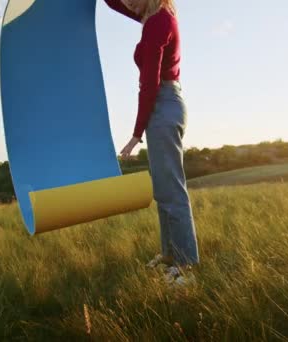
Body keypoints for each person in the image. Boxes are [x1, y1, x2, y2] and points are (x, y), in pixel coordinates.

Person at [104, 0, 199, 286]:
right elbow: (114, 4)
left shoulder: (159, 22)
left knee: (173, 192)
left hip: (163, 103)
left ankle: (187, 268)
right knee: (163, 190)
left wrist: (136, 134)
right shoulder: (153, 15)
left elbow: (150, 82)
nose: (129, 2)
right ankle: (171, 256)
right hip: (163, 105)